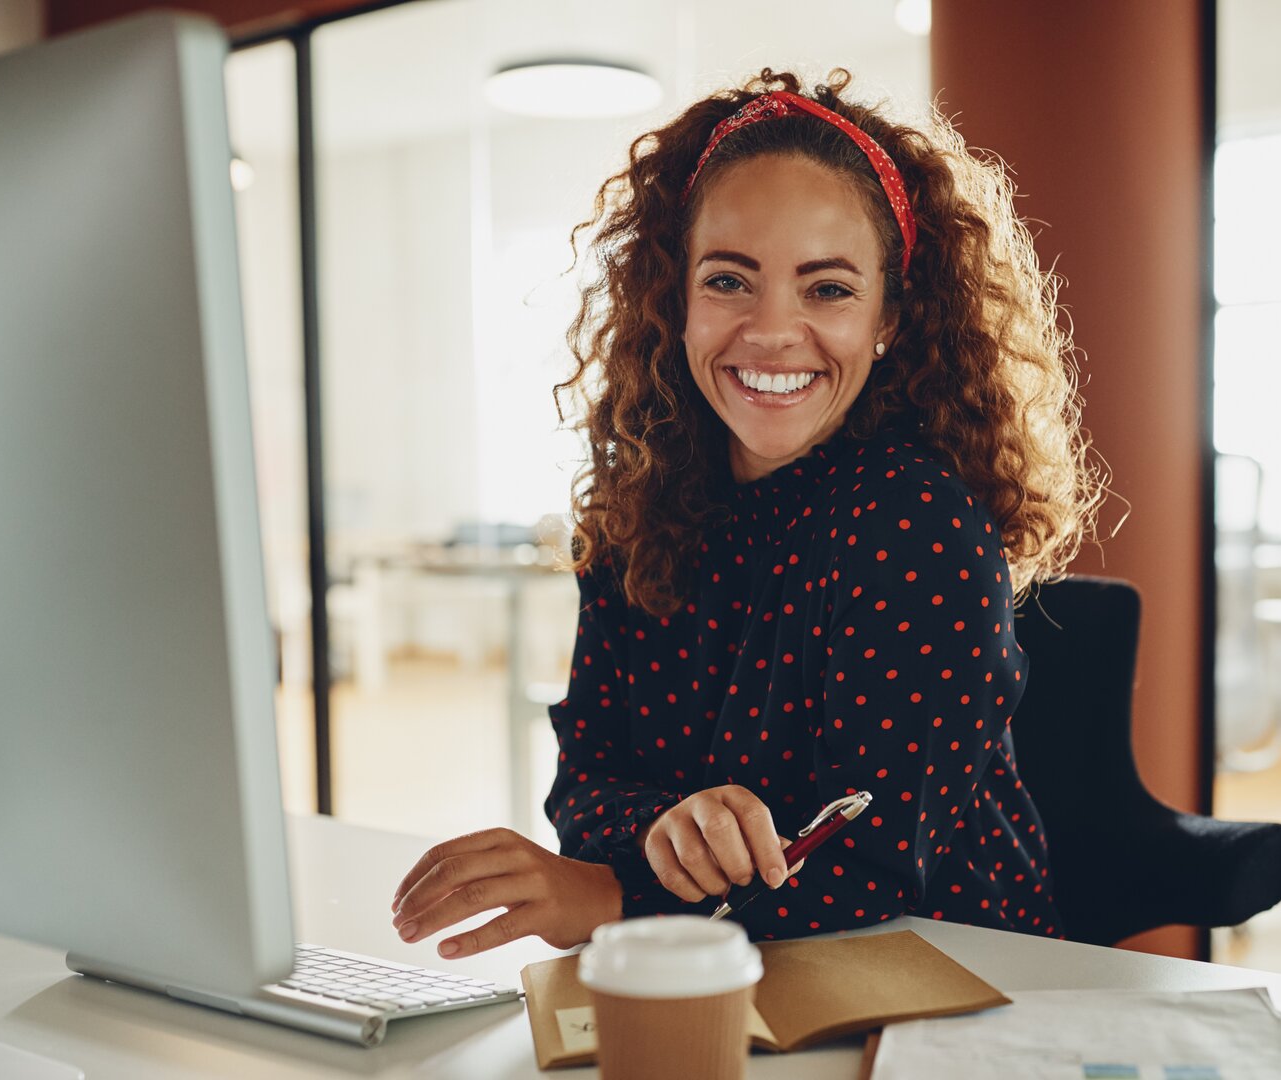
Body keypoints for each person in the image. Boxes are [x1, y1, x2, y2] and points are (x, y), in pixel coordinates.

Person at [391, 68, 1104, 961]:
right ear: (675, 300)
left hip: (948, 976)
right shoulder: (637, 507)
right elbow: (587, 784)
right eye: (729, 280)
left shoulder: (918, 521)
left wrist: (615, 894)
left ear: (891, 316)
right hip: (722, 975)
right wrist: (663, 829)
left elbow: (874, 869)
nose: (772, 332)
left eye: (828, 289)